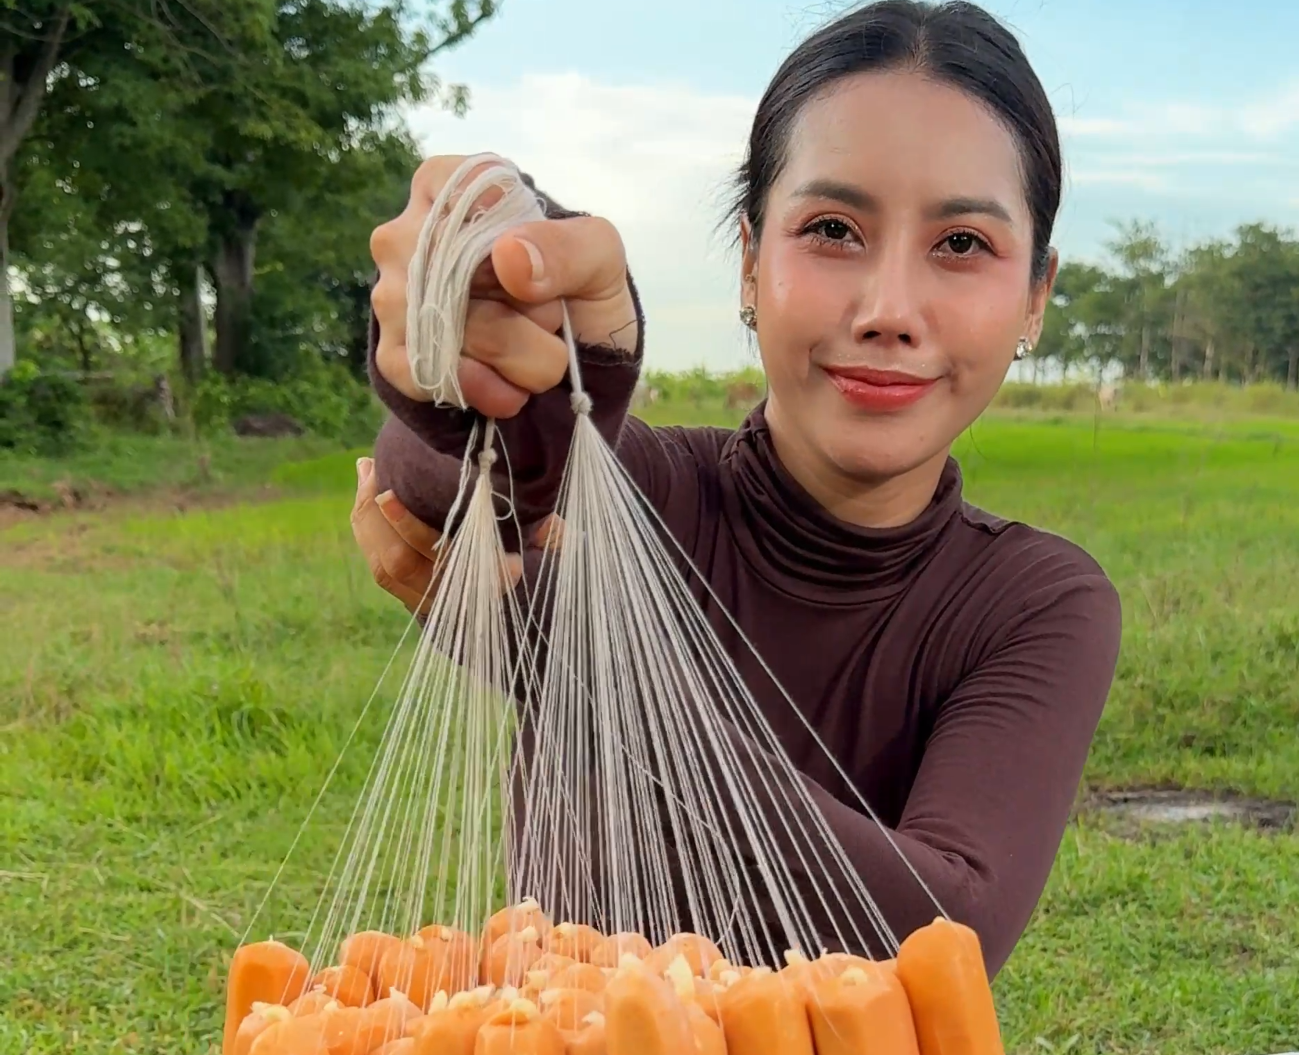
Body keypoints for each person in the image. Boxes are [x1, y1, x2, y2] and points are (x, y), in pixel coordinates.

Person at [352, 0, 1120, 976]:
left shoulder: (1032, 603)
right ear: (751, 260)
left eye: (961, 244)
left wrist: (580, 663)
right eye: (833, 229)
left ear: (1036, 296)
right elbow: (451, 486)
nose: (889, 311)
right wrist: (503, 301)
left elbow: (943, 933)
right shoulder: (648, 495)